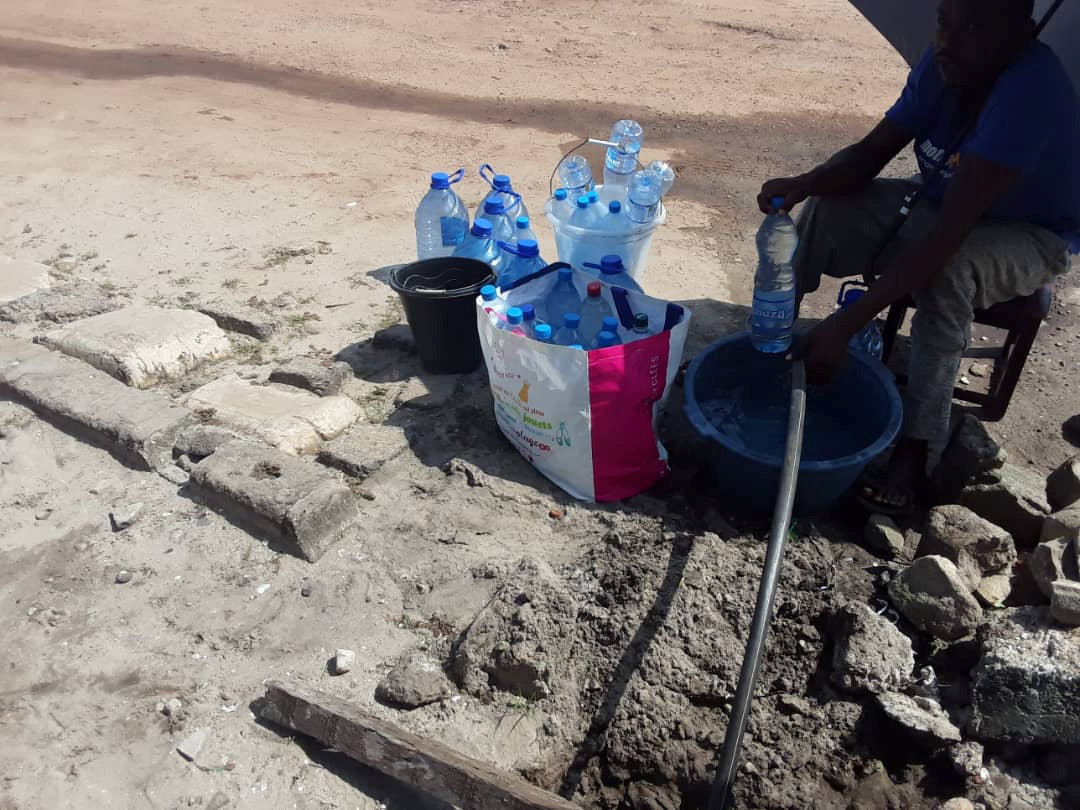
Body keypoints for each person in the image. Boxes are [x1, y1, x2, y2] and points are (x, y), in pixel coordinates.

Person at [758, 0, 1079, 514]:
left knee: (950, 273)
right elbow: (868, 157)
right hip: (941, 201)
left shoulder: (1032, 93)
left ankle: (914, 447)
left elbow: (949, 237)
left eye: (964, 29)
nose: (944, 44)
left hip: (1027, 232)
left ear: (1014, 31)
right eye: (940, 24)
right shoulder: (946, 60)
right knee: (825, 211)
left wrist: (845, 323)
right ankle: (768, 347)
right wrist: (805, 183)